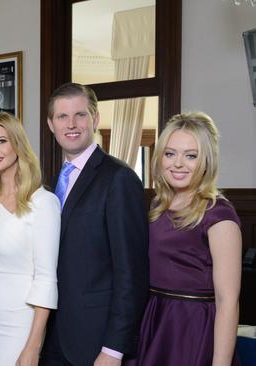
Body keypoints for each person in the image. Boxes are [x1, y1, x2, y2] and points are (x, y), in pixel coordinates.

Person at [40, 83, 149, 366]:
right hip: (52, 337)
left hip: (97, 342)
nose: (72, 124)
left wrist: (113, 349)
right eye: (62, 117)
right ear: (51, 124)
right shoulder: (52, 183)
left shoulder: (119, 179)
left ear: (95, 119)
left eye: (80, 114)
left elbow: (132, 274)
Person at [126, 112, 242, 366]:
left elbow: (228, 302)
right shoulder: (159, 205)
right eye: (170, 153)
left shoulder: (219, 214)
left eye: (191, 155)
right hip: (154, 317)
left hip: (192, 327)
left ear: (206, 161)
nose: (178, 164)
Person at [0, 113, 60, 365]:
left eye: (1, 141)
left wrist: (33, 345)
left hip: (17, 321)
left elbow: (45, 278)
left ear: (18, 144)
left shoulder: (43, 203)